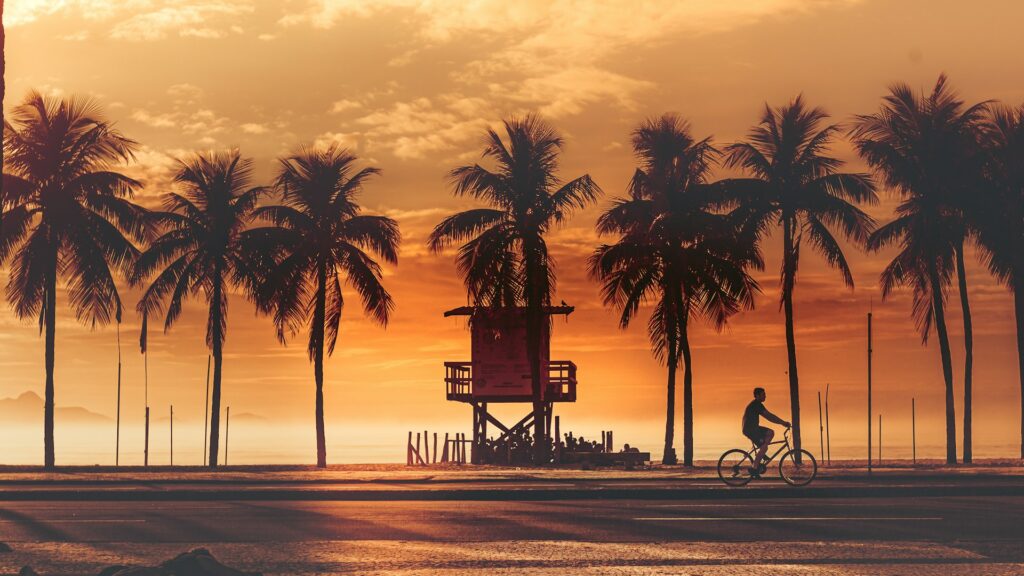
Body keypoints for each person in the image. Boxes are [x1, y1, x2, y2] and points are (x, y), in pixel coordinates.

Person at [742, 387, 790, 476]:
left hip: (753, 428)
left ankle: (761, 453)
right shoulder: (756, 404)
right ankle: (754, 468)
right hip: (750, 429)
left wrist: (782, 423)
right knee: (764, 447)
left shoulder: (757, 404)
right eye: (763, 394)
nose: (765, 396)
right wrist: (783, 423)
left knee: (770, 432)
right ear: (757, 396)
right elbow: (769, 416)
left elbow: (769, 415)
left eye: (765, 394)